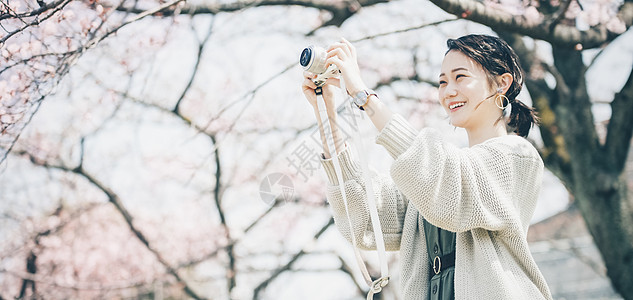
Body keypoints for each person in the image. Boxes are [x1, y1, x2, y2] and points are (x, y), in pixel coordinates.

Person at [300, 34, 553, 300]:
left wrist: (364, 96)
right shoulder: (438, 178)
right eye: (442, 82)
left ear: (502, 83)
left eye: (460, 77)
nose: (448, 91)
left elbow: (450, 187)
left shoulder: (517, 156)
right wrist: (326, 112)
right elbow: (364, 220)